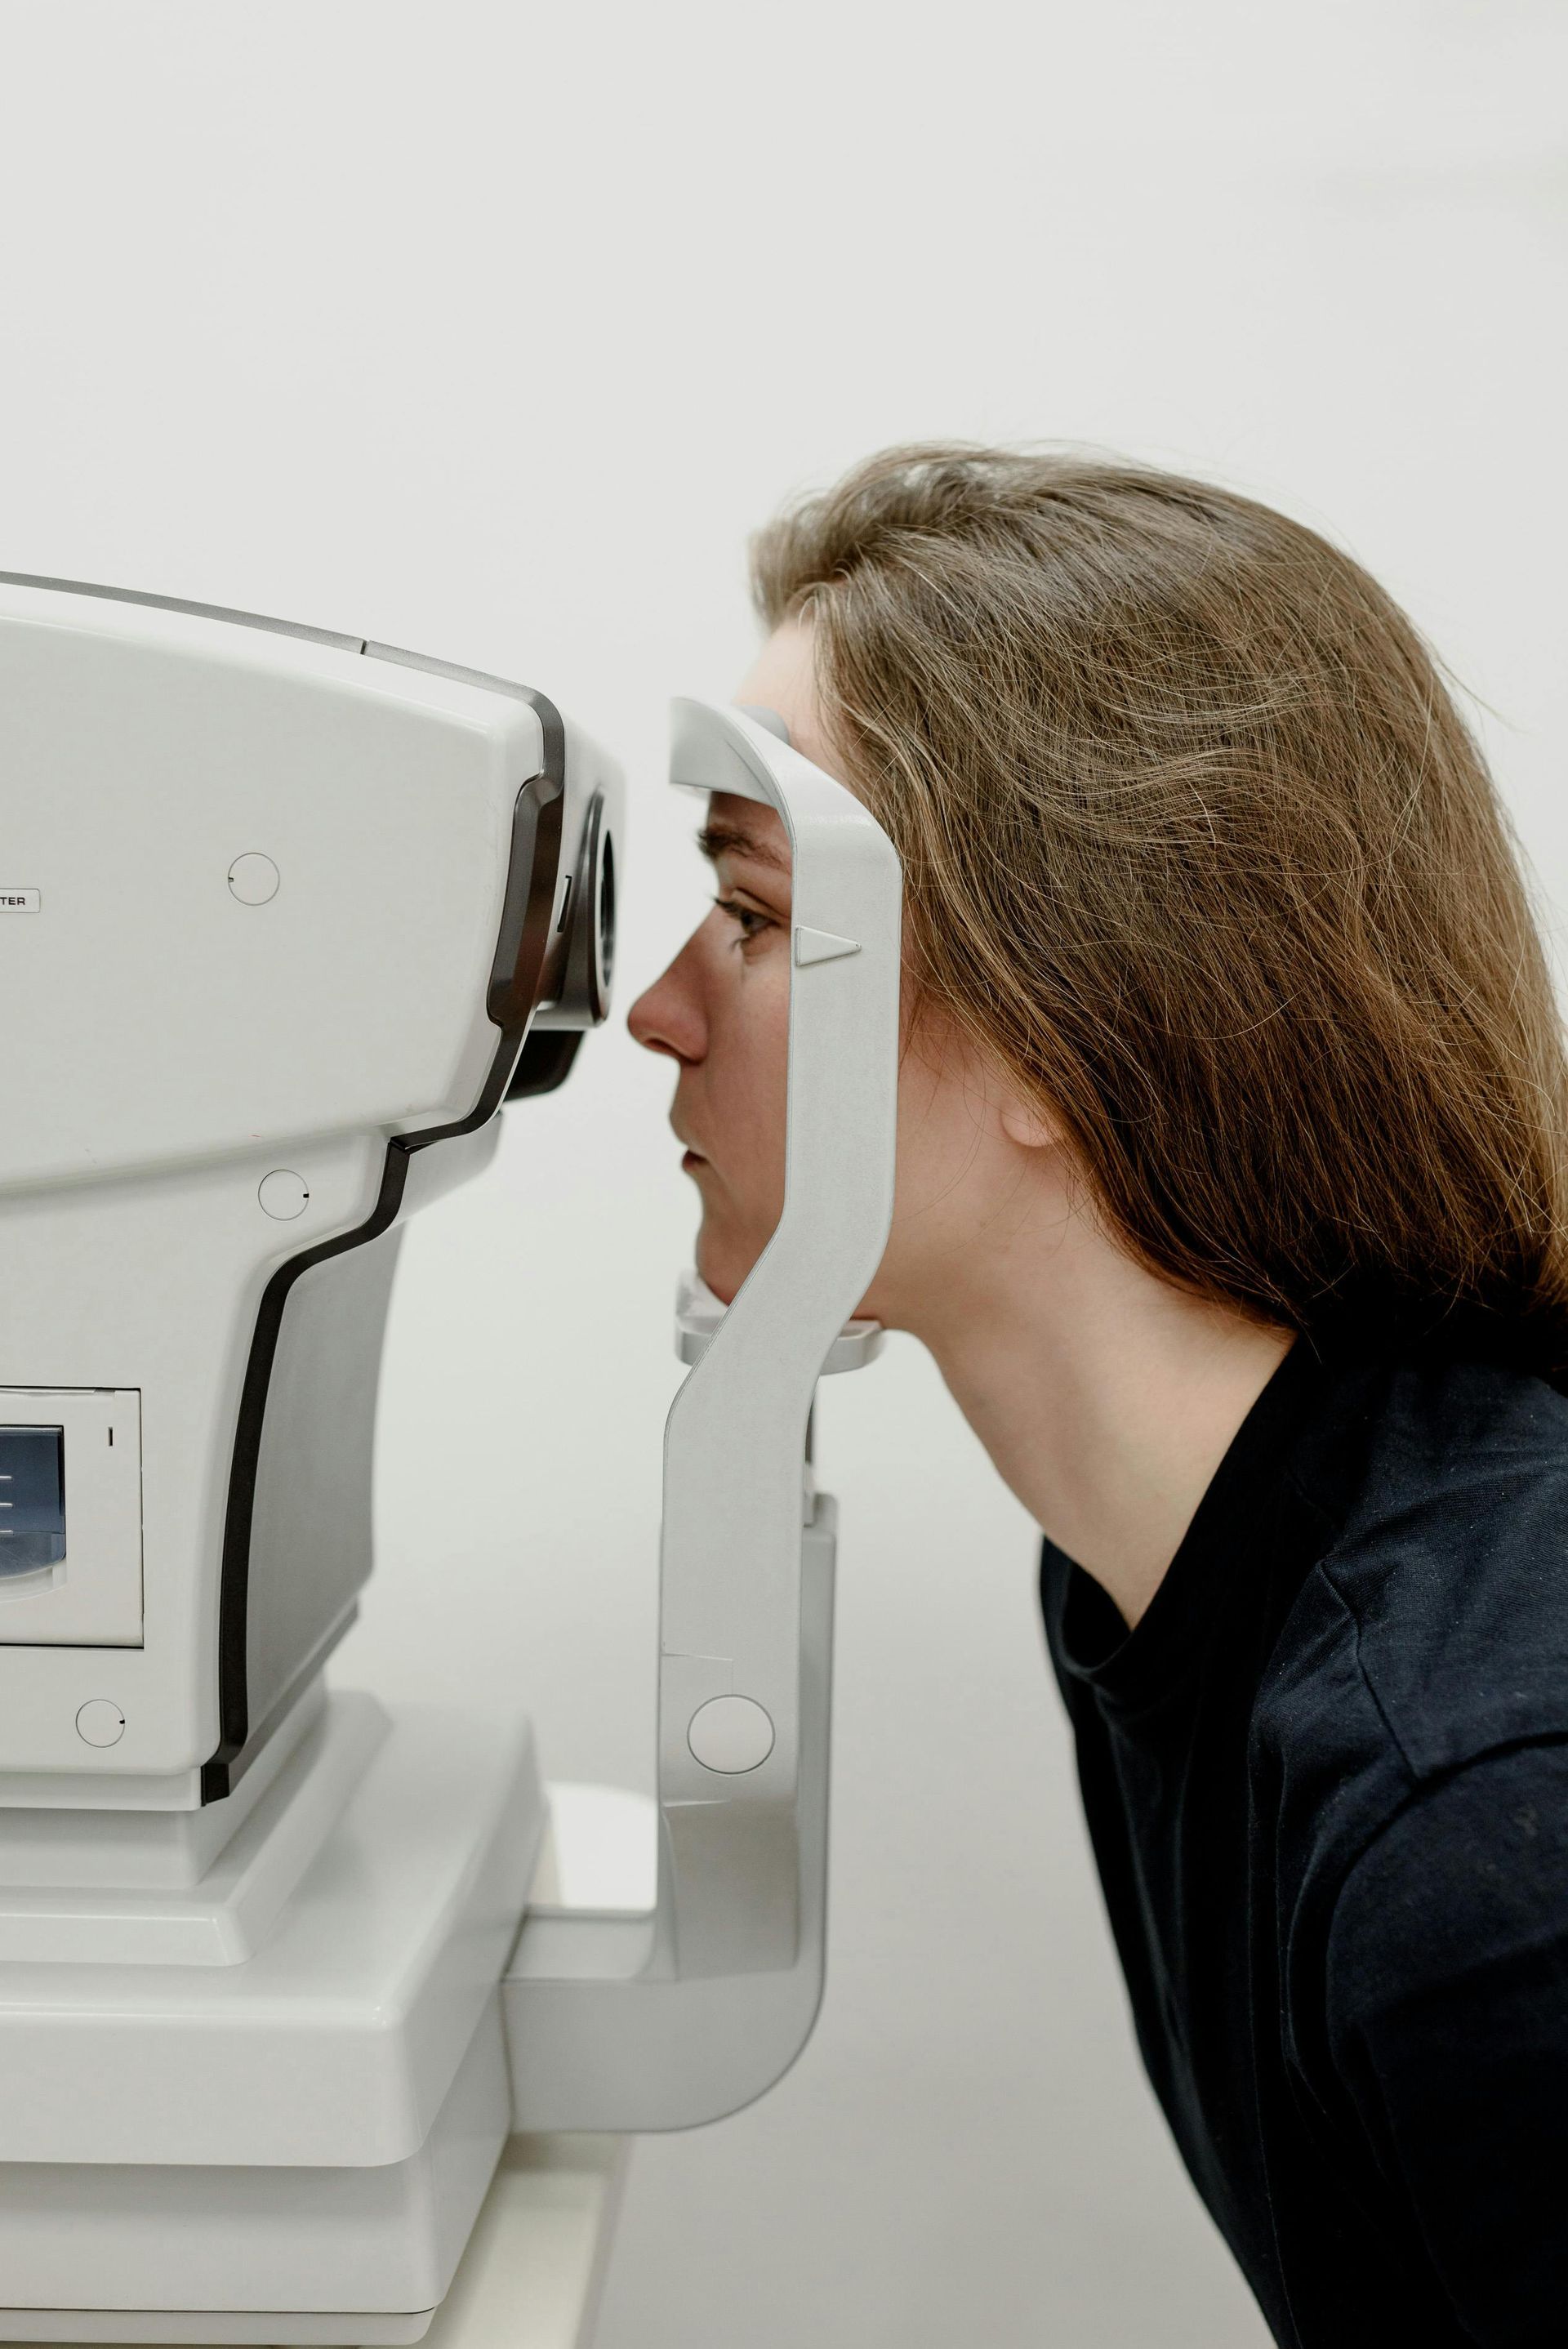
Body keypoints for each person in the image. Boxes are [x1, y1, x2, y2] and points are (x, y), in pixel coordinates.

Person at [627, 444, 1568, 2347]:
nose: (659, 1008)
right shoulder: (1160, 1571)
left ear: (1062, 1025)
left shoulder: (1479, 1825)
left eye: (753, 912)